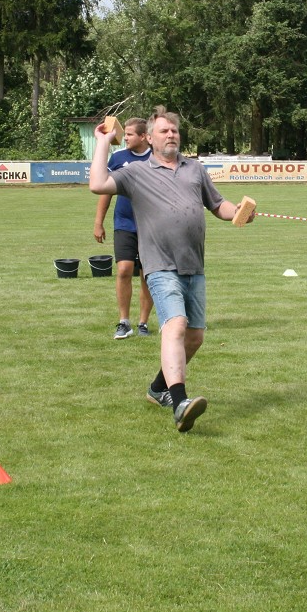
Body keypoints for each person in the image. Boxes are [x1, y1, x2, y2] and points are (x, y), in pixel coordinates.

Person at [88, 105, 248, 432]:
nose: (171, 134)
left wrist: (238, 212)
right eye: (164, 130)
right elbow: (98, 184)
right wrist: (103, 142)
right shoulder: (136, 172)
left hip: (194, 264)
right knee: (175, 325)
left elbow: (218, 204)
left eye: (174, 130)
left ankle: (158, 388)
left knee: (195, 337)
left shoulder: (195, 169)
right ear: (150, 138)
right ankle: (180, 403)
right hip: (160, 264)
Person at [93, 117, 156, 339]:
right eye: (125, 133)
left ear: (143, 136)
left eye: (129, 134)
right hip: (124, 223)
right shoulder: (118, 158)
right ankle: (124, 322)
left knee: (147, 274)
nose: (124, 138)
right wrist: (98, 222)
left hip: (151, 225)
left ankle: (143, 323)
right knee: (123, 270)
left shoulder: (157, 158)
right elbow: (105, 191)